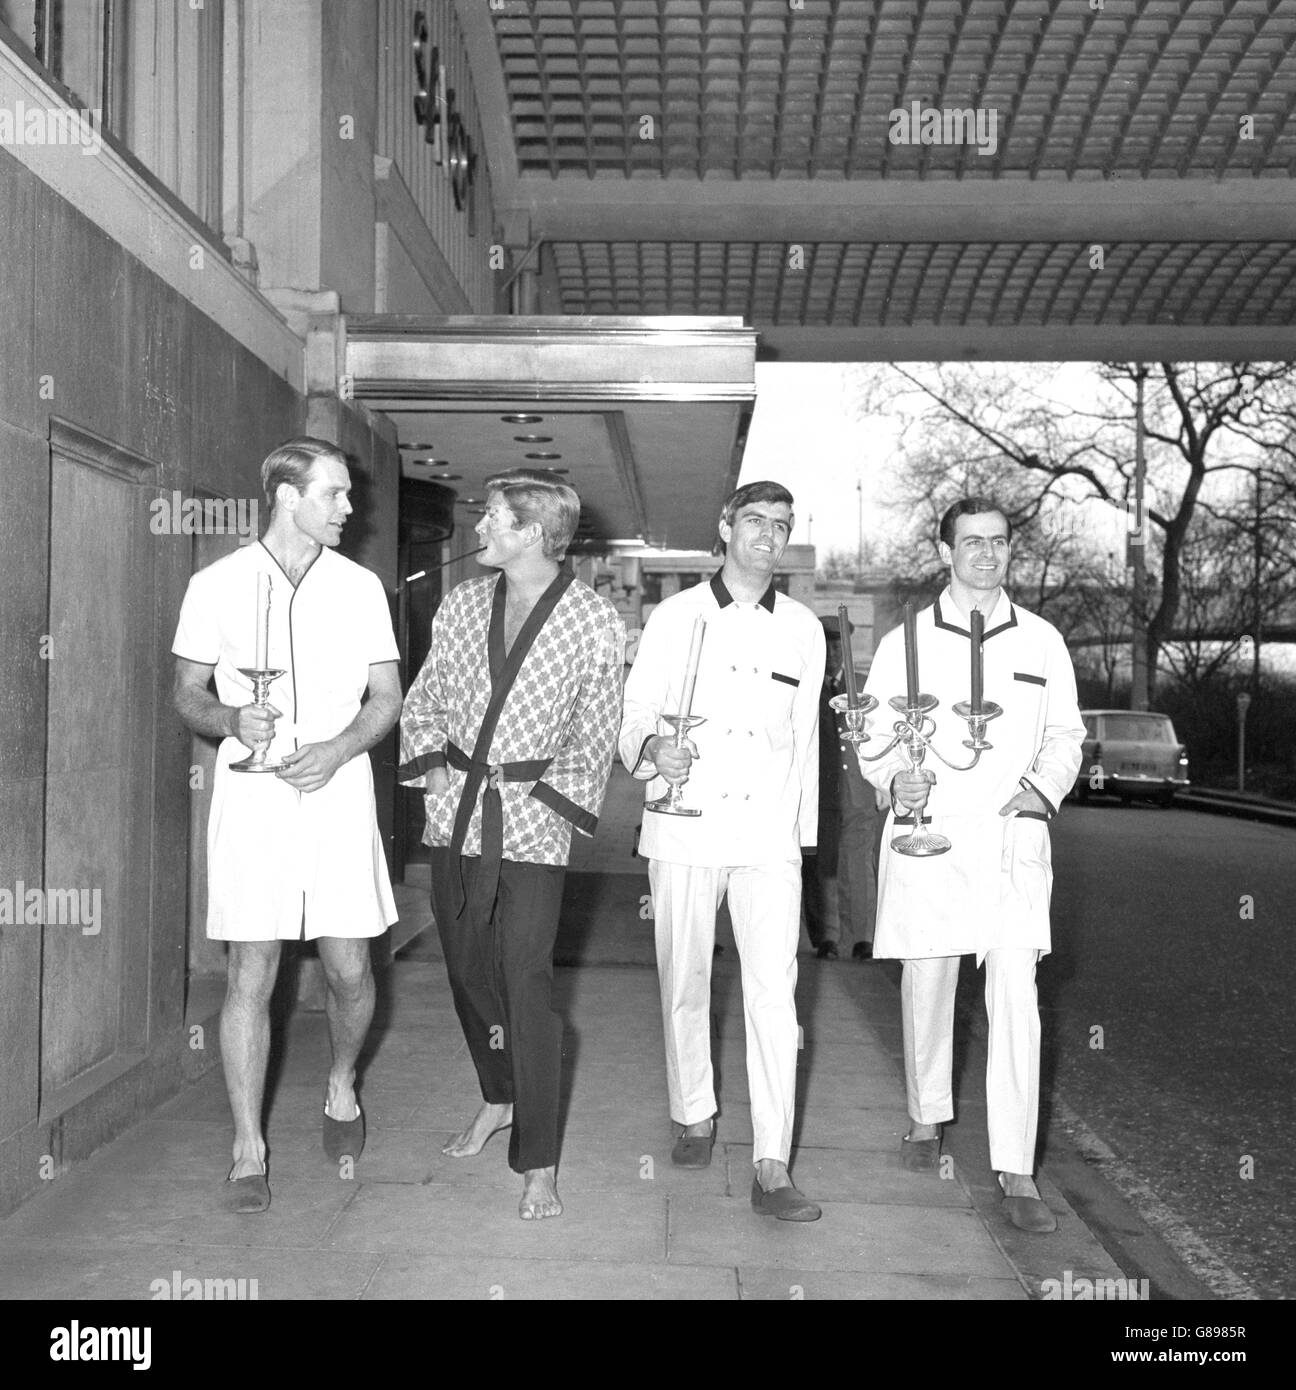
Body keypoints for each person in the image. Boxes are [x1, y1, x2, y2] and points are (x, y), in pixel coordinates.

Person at [172, 438, 402, 1213]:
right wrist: (232, 716)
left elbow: (386, 697)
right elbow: (188, 694)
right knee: (253, 970)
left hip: (339, 791)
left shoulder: (361, 586)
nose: (349, 507)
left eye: (346, 494)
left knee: (349, 969)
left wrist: (338, 750)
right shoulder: (217, 585)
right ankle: (247, 1147)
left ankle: (342, 1082)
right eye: (334, 494)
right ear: (285, 496)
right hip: (255, 794)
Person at [399, 469, 623, 1221]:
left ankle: (539, 1157)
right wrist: (430, 767)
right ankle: (498, 1094)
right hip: (456, 813)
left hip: (536, 822)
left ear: (532, 532)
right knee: (466, 969)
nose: (480, 528)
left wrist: (550, 807)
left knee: (525, 980)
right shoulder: (462, 606)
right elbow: (424, 698)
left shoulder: (592, 620)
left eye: (493, 517)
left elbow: (597, 732)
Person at [858, 497, 1084, 1233]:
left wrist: (1040, 793)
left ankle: (1016, 1168)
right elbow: (875, 740)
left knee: (1017, 988)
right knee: (929, 978)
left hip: (1012, 842)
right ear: (945, 549)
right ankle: (927, 1116)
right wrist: (895, 778)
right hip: (934, 836)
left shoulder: (1043, 641)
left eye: (998, 541)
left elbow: (1066, 735)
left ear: (1011, 550)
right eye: (971, 542)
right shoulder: (906, 643)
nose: (986, 554)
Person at [620, 481, 824, 1221]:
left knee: (776, 996)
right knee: (686, 978)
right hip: (685, 825)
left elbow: (805, 744)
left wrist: (802, 844)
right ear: (725, 527)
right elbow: (637, 708)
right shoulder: (675, 617)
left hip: (769, 837)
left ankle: (773, 1161)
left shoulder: (803, 627)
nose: (768, 536)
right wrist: (649, 751)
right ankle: (694, 1111)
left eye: (781, 524)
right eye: (755, 522)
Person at [802, 614, 882, 962]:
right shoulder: (804, 689)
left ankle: (863, 937)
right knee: (820, 864)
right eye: (828, 644)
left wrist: (883, 781)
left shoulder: (864, 688)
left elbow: (882, 736)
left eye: (839, 645)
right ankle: (827, 937)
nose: (834, 652)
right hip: (817, 791)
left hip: (857, 790)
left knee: (859, 861)